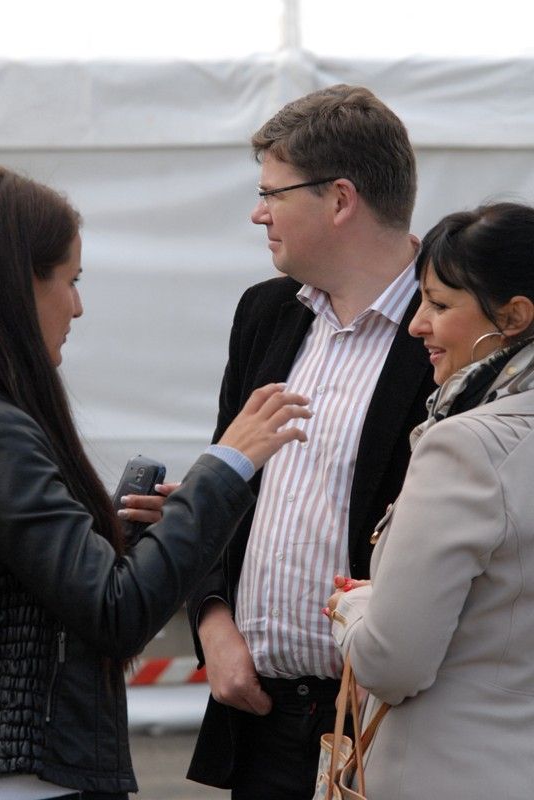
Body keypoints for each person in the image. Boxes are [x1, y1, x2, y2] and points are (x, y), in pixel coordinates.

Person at [0, 166, 311, 800]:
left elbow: (58, 585)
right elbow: (114, 611)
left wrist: (124, 538)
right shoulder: (5, 433)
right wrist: (226, 467)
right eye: (70, 280)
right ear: (18, 284)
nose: (78, 306)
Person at [185, 84, 435, 799]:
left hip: (390, 727)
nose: (258, 212)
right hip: (260, 722)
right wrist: (212, 619)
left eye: (273, 193)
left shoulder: (447, 326)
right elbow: (224, 481)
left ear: (340, 199)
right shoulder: (266, 313)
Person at [327, 202, 534, 800]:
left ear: (514, 316)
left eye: (439, 305)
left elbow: (391, 663)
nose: (417, 324)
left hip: (452, 771)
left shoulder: (466, 445)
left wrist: (353, 609)